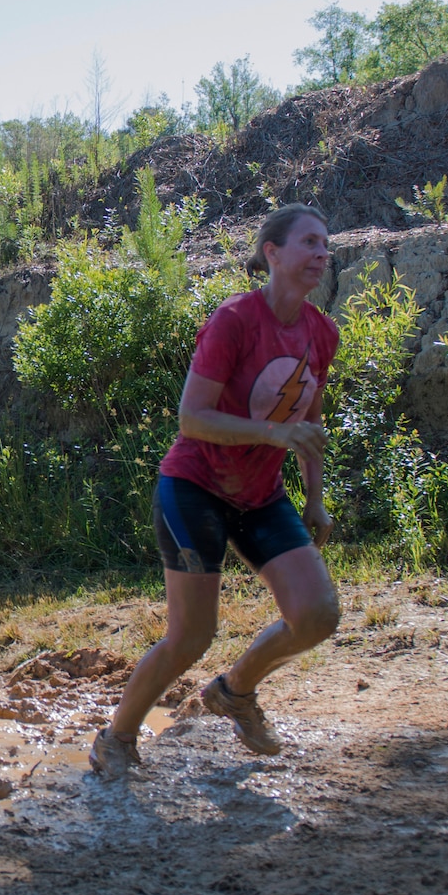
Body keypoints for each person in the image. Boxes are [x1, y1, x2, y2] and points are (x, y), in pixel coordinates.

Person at [90, 205, 343, 779]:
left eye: (326, 245)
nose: (322, 254)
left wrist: (315, 497)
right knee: (191, 637)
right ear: (272, 254)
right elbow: (192, 418)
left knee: (317, 615)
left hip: (261, 495)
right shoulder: (233, 321)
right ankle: (116, 738)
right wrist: (273, 432)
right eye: (309, 243)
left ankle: (235, 691)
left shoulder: (321, 332)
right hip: (194, 487)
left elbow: (309, 422)